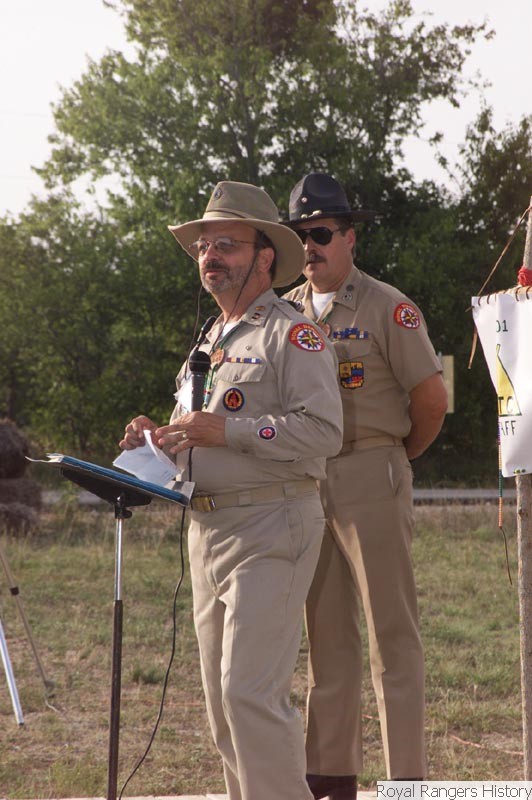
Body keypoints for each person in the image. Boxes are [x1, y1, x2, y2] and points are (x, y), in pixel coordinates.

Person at [119, 181, 343, 800]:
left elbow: (325, 431)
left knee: (249, 695)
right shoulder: (209, 341)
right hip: (206, 529)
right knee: (222, 706)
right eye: (203, 246)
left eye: (226, 244)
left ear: (265, 256)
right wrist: (155, 437)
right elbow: (192, 431)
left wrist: (229, 430)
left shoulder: (293, 335)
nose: (210, 255)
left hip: (271, 525)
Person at [283, 173, 448, 798]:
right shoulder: (286, 311)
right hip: (308, 479)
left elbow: (431, 399)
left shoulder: (386, 306)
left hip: (372, 472)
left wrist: (395, 458)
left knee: (391, 636)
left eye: (322, 233)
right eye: (301, 236)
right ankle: (331, 774)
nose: (310, 246)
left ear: (350, 238)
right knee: (325, 636)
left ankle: (406, 779)